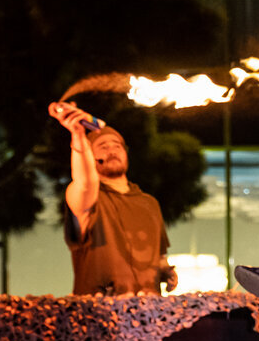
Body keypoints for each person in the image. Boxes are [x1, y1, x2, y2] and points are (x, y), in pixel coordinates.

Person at [49, 101, 177, 296]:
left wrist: (166, 271)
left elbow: (159, 257)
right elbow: (85, 182)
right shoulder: (87, 199)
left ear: (126, 154)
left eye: (117, 145)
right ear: (91, 158)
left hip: (149, 316)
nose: (111, 150)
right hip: (99, 315)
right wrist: (78, 136)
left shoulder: (149, 203)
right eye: (102, 146)